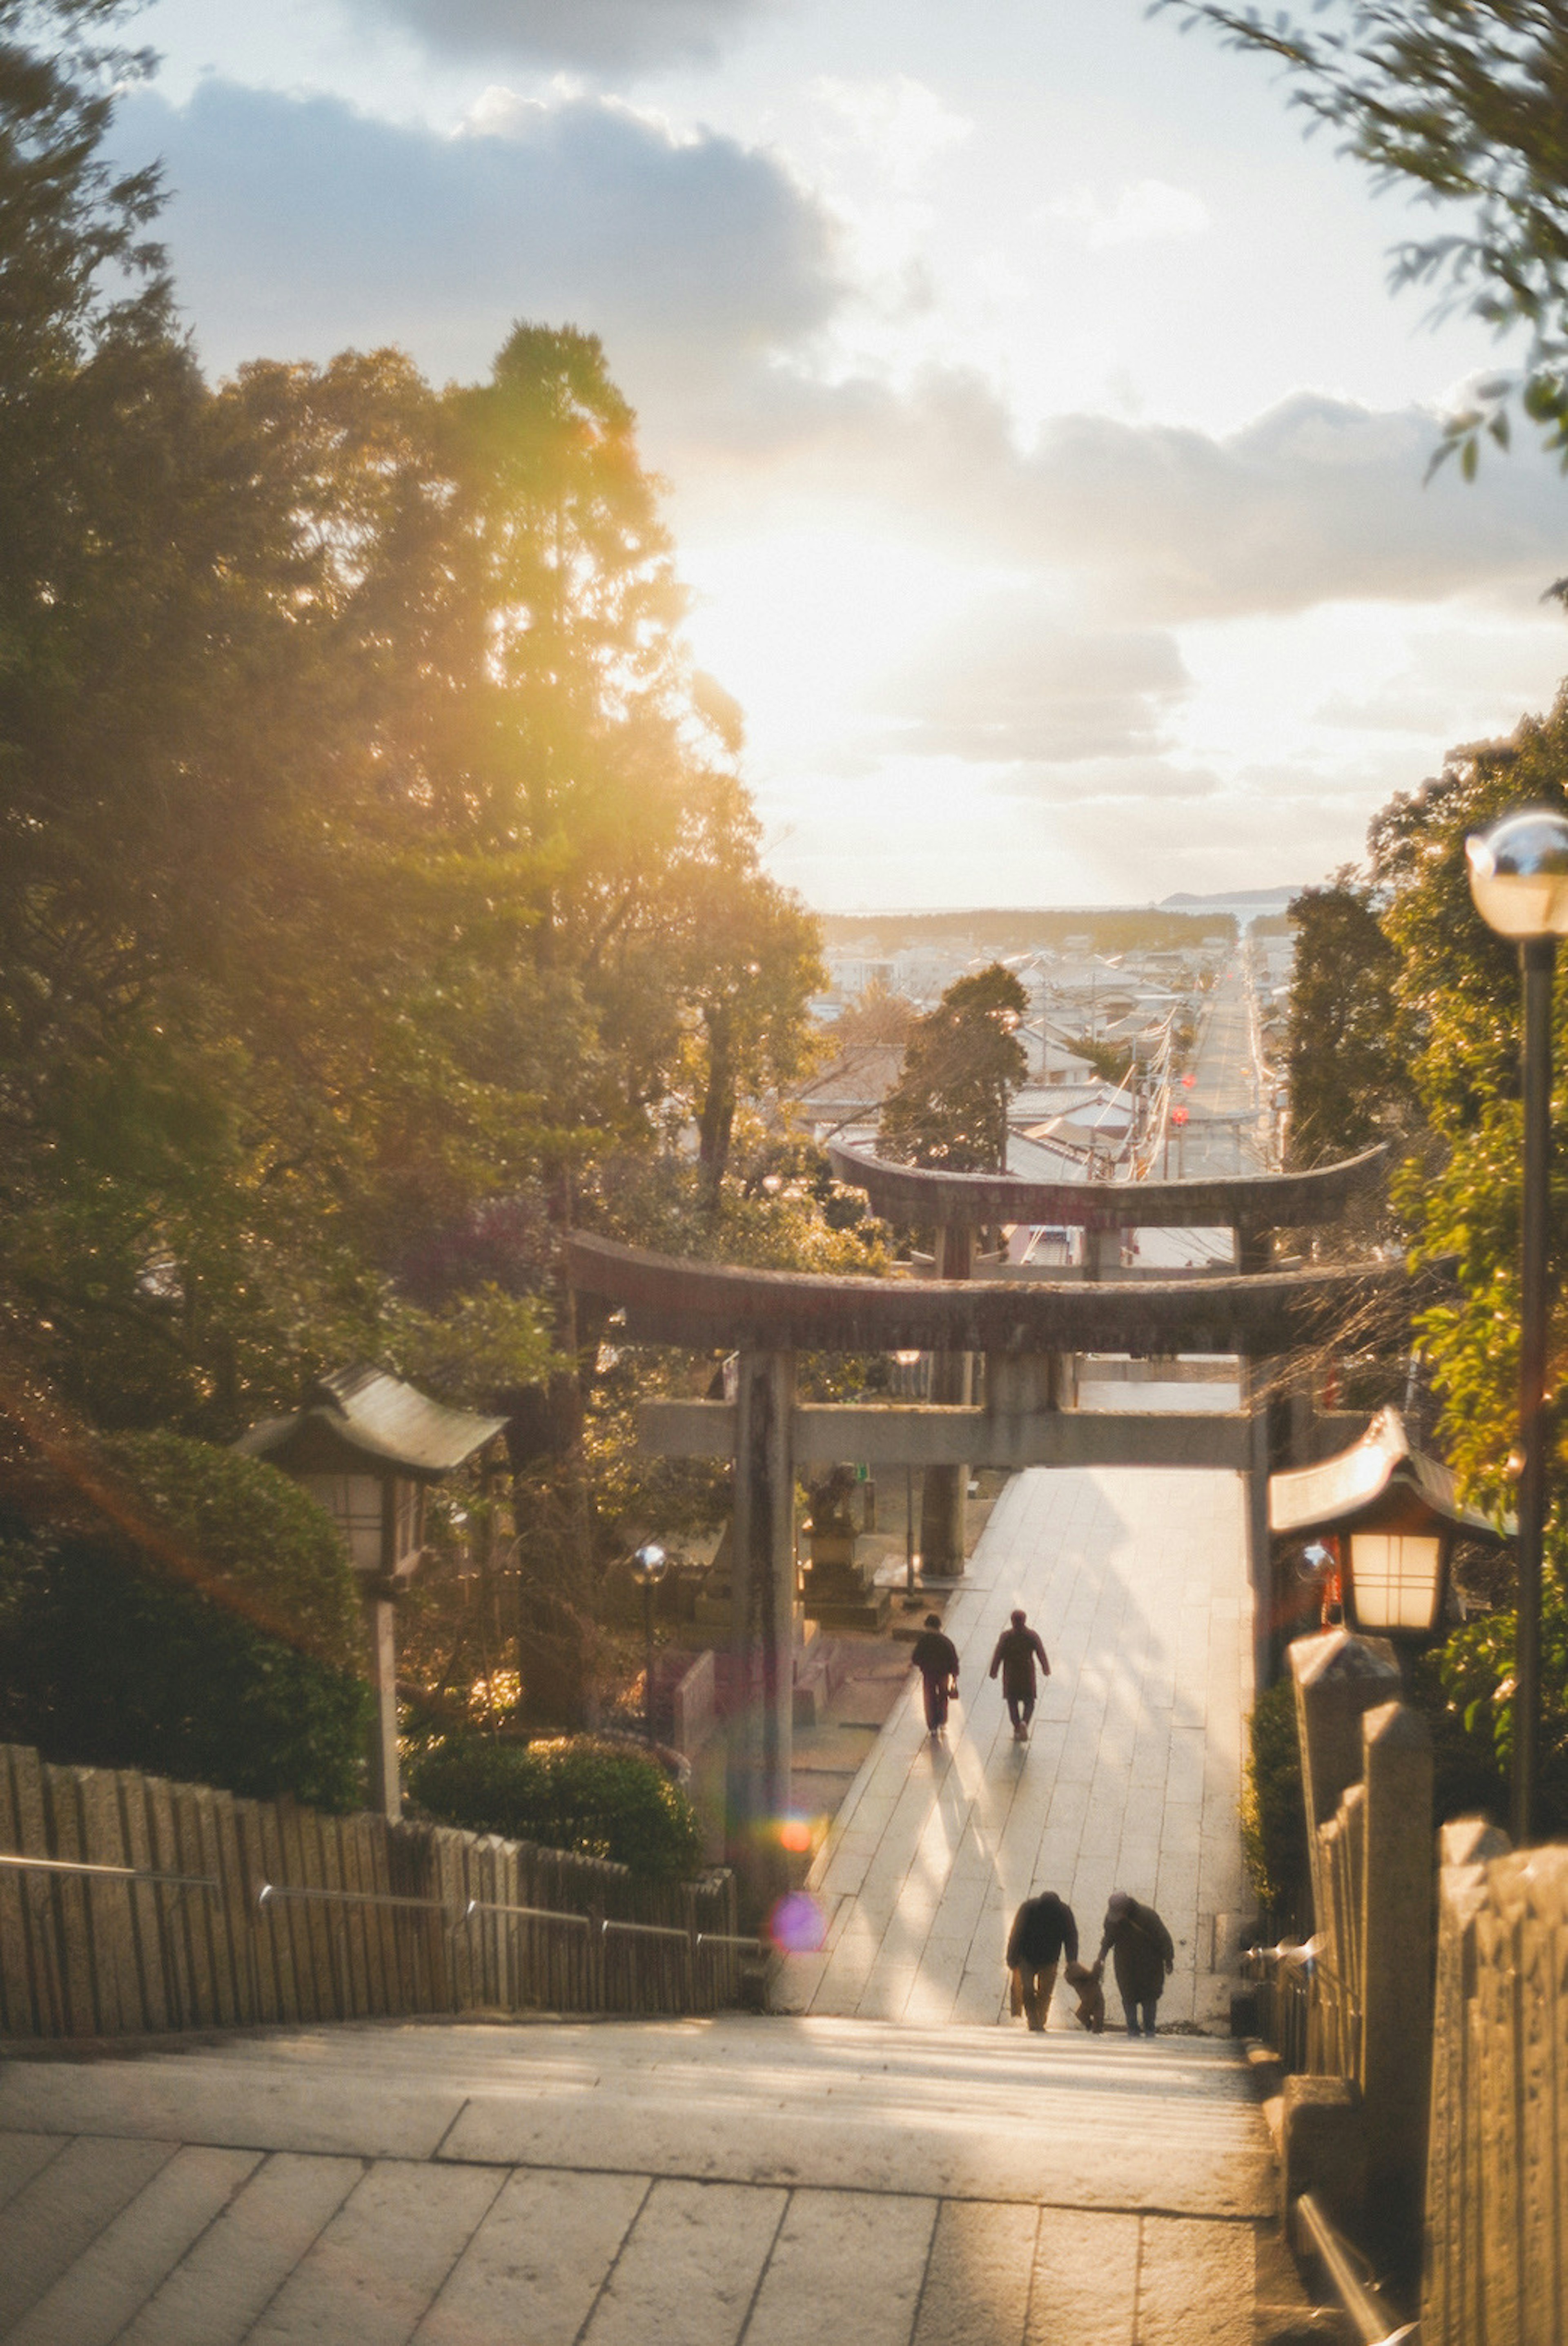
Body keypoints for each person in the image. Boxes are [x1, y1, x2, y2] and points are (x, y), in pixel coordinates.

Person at [1097, 1890, 1175, 2038]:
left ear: (1126, 1909)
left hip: (1150, 1964)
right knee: (1128, 1996)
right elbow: (1108, 1938)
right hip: (1125, 1964)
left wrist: (1169, 1959)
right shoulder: (1111, 1920)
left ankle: (1149, 2029)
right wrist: (1101, 1957)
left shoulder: (1148, 1916)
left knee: (1149, 1997)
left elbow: (1163, 1937)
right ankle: (1132, 2028)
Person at [1005, 1888, 1078, 2033]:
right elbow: (1017, 1933)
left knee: (1044, 1991)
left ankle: (1040, 2019)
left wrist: (1072, 1961)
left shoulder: (1064, 1913)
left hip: (1048, 1959)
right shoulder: (1028, 1909)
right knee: (1029, 1989)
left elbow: (1071, 1938)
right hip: (1028, 1956)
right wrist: (1012, 1958)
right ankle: (1033, 2019)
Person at [988, 1608, 1049, 1739]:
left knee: (1012, 1702)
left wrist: (994, 1670)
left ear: (1012, 1621)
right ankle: (1025, 1722)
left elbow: (998, 1654)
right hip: (1027, 1673)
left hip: (1011, 1674)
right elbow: (1041, 1652)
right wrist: (1046, 1668)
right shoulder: (1032, 1635)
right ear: (1025, 1620)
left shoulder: (1006, 1637)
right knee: (1030, 1701)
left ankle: (1017, 1728)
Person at [909, 1613, 960, 1736]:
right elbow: (953, 1659)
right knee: (943, 1697)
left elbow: (915, 1658)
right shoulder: (946, 1641)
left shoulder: (924, 1641)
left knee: (930, 1698)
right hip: (943, 1675)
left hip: (929, 1674)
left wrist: (923, 1665)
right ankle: (942, 1720)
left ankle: (932, 1725)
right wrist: (954, 1675)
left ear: (928, 1626)